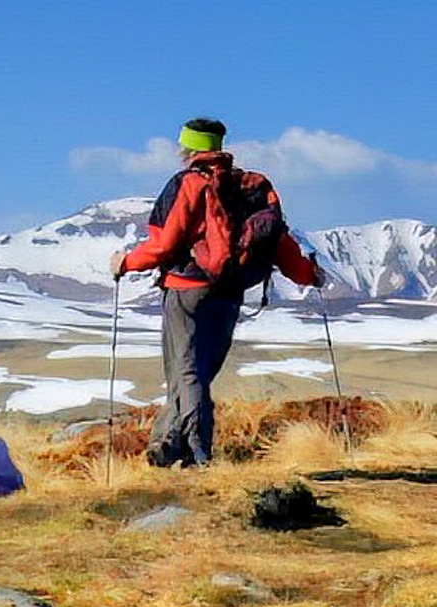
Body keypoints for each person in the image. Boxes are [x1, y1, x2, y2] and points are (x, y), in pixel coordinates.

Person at [110, 117, 326, 467]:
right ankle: (166, 447)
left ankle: (198, 453)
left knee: (186, 371)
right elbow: (279, 242)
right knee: (197, 373)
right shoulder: (251, 188)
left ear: (188, 148)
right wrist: (308, 274)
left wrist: (126, 263)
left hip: (187, 290)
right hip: (230, 291)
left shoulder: (189, 184)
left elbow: (164, 244)